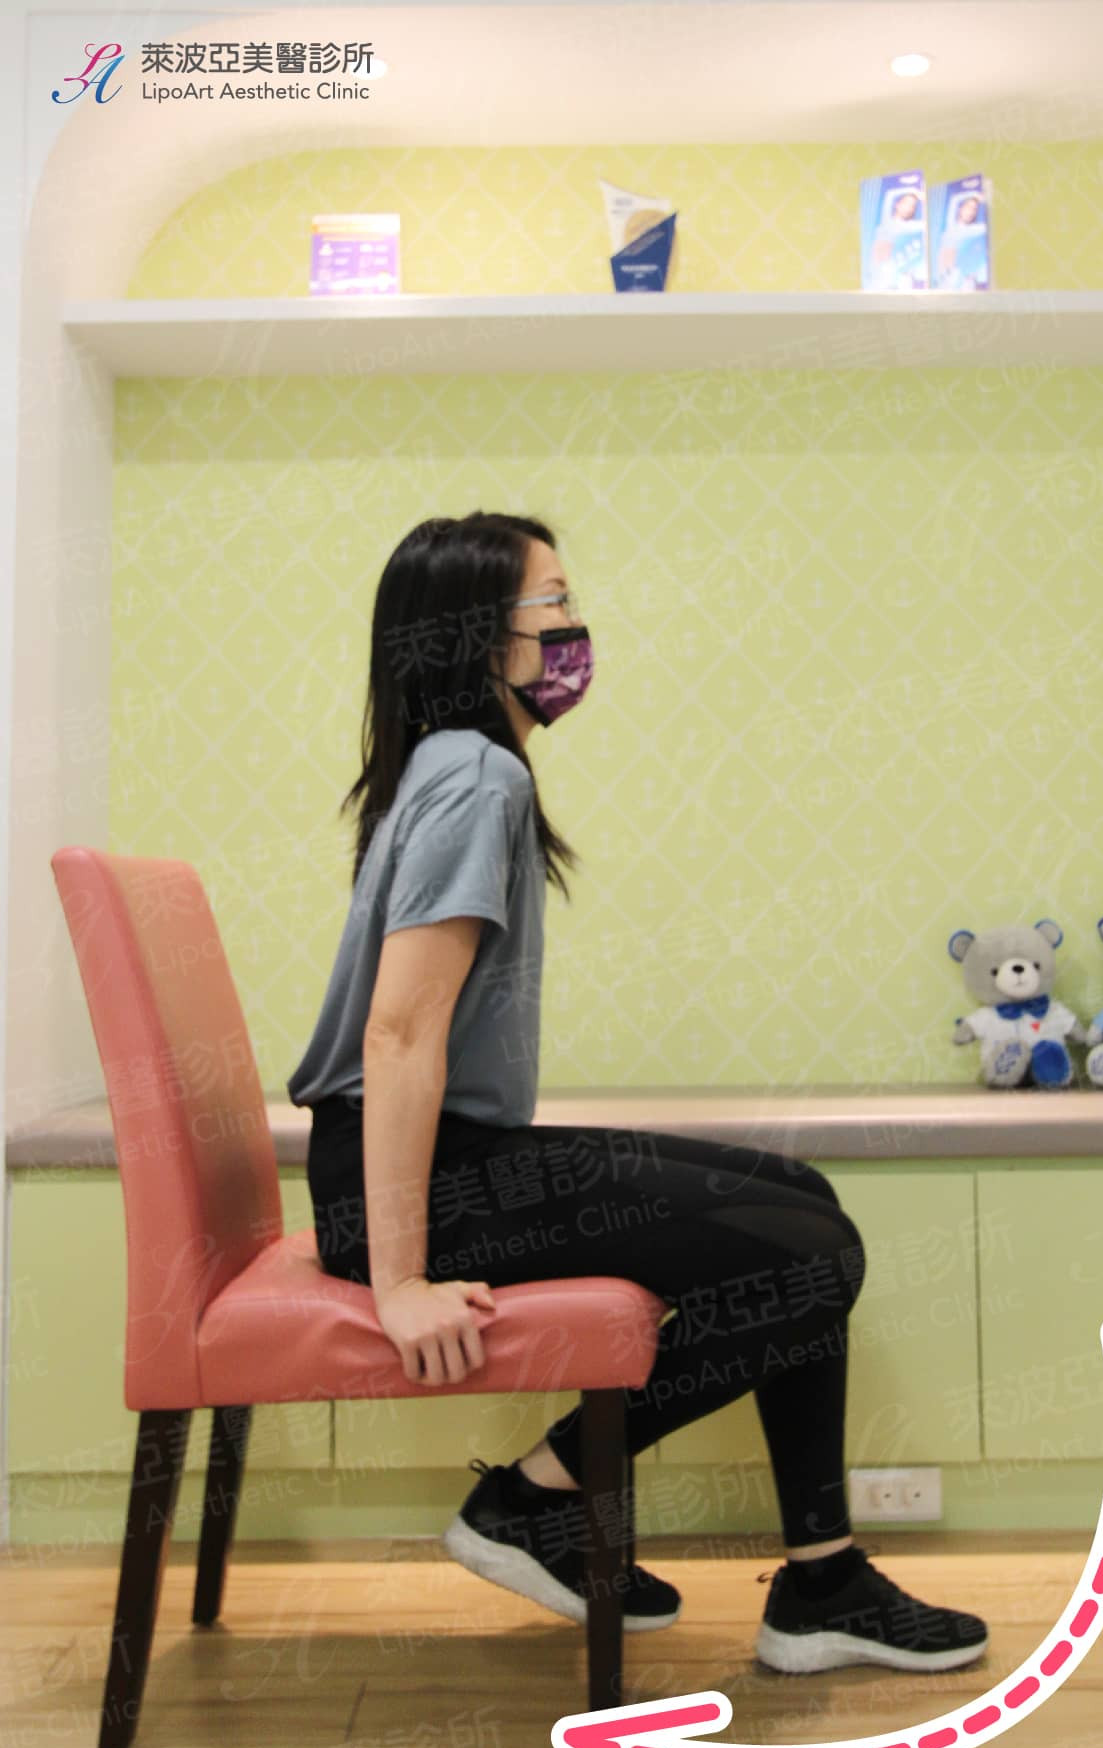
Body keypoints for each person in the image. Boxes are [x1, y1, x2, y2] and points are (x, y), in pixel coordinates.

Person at [287, 510, 990, 1676]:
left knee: (800, 1200)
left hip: (434, 1159)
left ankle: (819, 1580)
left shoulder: (455, 767)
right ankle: (538, 1498)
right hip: (413, 1181)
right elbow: (400, 1031)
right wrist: (399, 1280)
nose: (576, 629)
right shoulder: (474, 776)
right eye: (554, 604)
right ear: (479, 634)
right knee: (810, 1253)